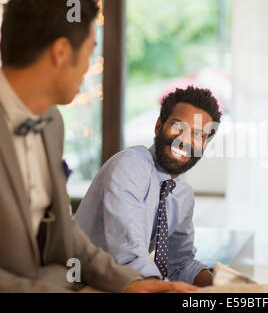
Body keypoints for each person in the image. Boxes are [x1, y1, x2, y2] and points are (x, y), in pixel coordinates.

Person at [0, 0, 195, 293]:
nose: (91, 68)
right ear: (61, 52)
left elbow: (65, 234)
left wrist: (131, 283)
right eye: (91, 53)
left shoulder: (51, 123)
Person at [75, 86, 221, 287]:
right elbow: (129, 254)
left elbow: (180, 263)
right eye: (178, 127)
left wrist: (223, 286)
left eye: (198, 135)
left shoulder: (182, 194)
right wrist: (162, 288)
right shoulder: (129, 166)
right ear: (159, 126)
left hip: (122, 284)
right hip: (77, 282)